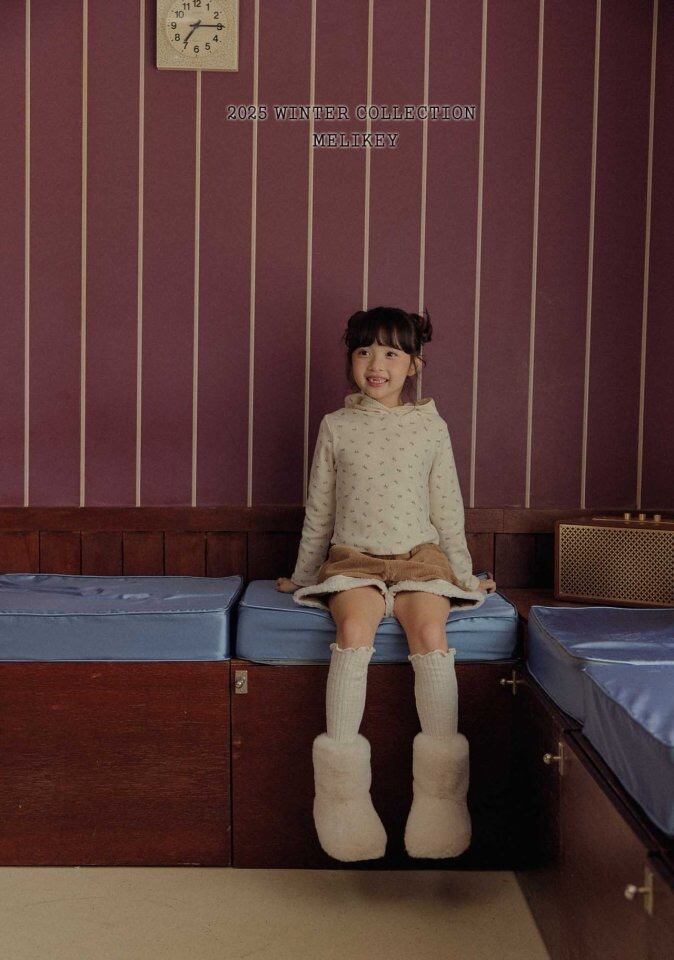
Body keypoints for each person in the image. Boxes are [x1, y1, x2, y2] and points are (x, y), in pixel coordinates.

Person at [275, 305, 496, 863]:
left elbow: (448, 511)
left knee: (430, 634)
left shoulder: (431, 427)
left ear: (413, 364)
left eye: (391, 353)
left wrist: (465, 575)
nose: (376, 364)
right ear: (351, 360)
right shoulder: (337, 426)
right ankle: (341, 795)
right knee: (354, 628)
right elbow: (320, 511)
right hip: (355, 559)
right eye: (364, 351)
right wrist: (303, 575)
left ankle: (441, 798)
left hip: (421, 559)